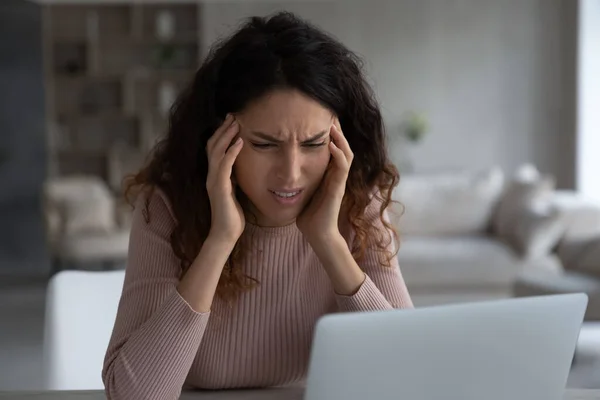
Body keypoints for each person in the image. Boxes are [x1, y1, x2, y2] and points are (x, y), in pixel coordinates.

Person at [102, 11, 413, 400]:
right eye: (265, 144)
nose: (291, 174)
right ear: (219, 139)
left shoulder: (356, 205)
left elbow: (409, 374)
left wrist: (329, 242)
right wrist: (219, 240)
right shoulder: (167, 208)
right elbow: (132, 395)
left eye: (314, 144)